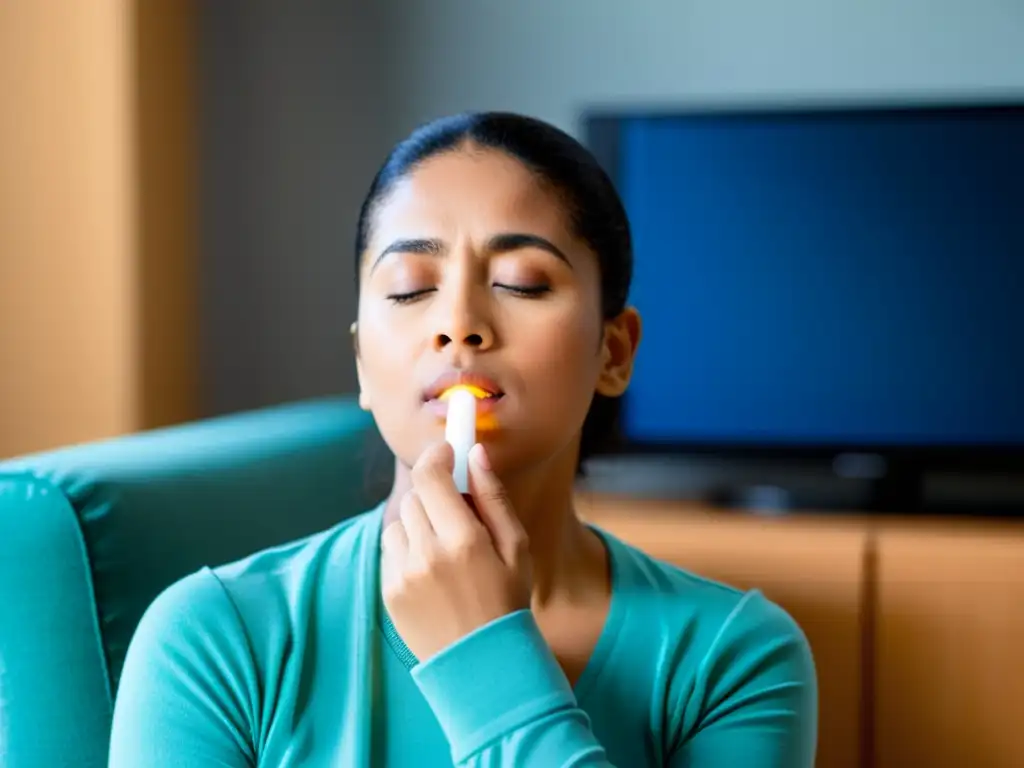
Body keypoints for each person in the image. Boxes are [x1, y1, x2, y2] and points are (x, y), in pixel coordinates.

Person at [108, 111, 818, 767]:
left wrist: (483, 655)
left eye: (522, 282)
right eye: (411, 289)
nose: (458, 323)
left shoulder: (736, 658)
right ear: (361, 360)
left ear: (614, 352)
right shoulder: (214, 638)